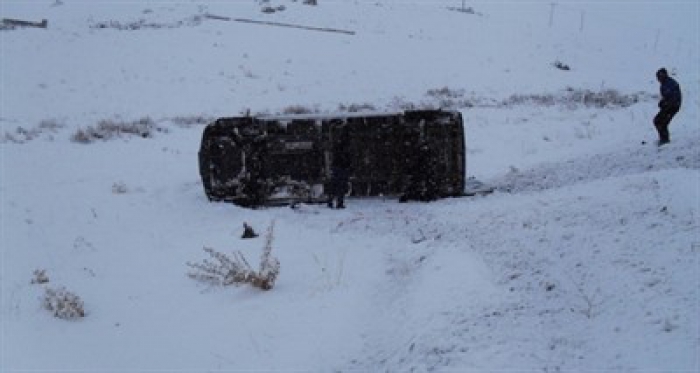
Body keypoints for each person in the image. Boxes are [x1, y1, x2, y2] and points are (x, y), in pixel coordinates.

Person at [653, 68, 682, 146]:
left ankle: (664, 140)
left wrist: (665, 103)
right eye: (657, 77)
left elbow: (674, 97)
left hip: (673, 106)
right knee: (659, 121)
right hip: (670, 106)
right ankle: (664, 139)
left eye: (659, 77)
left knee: (659, 121)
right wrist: (662, 102)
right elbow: (667, 97)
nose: (658, 79)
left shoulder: (670, 83)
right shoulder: (665, 84)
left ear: (663, 75)